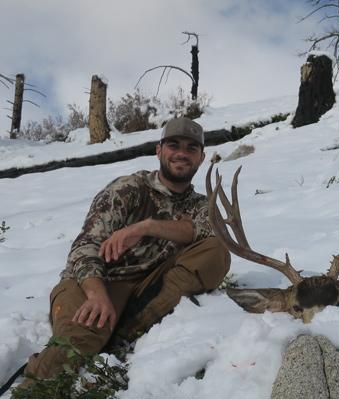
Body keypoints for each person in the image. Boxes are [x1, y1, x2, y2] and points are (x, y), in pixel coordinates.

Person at [23, 117, 230, 380]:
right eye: (173, 145)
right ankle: (27, 396)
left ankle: (123, 331)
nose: (181, 153)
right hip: (95, 281)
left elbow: (208, 232)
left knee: (216, 251)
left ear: (201, 158)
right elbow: (84, 247)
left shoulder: (201, 205)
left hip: (148, 290)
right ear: (159, 150)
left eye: (191, 148)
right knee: (76, 345)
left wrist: (147, 226)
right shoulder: (128, 189)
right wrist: (97, 295)